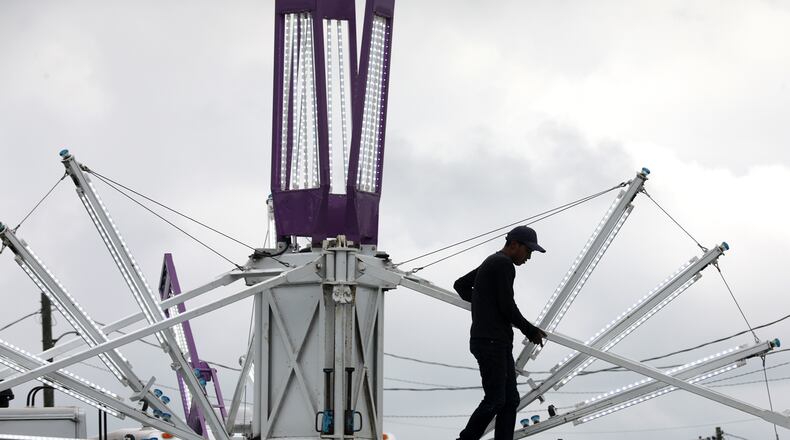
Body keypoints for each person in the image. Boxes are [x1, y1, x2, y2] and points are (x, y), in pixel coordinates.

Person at [454, 225, 548, 440]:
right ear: (514, 244)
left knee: (510, 400)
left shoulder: (493, 261)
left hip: (494, 341)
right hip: (491, 341)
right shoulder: (503, 264)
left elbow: (460, 285)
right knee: (496, 399)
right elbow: (507, 305)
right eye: (529, 251)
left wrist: (484, 303)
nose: (529, 257)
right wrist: (530, 330)